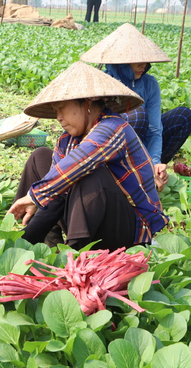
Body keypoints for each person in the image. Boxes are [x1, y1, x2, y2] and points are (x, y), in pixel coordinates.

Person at [9, 62, 168, 251]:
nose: (58, 117)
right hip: (90, 220)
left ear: (88, 103)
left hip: (129, 231)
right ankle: (46, 243)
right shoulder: (67, 141)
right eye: (55, 111)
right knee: (40, 157)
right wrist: (22, 244)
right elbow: (56, 192)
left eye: (62, 108)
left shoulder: (114, 127)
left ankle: (76, 256)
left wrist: (34, 196)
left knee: (89, 174)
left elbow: (81, 162)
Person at [80, 23, 191, 190]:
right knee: (137, 113)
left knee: (183, 116)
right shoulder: (105, 81)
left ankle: (152, 171)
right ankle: (126, 173)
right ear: (122, 60)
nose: (144, 65)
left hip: (143, 141)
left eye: (145, 60)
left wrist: (154, 161)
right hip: (112, 147)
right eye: (137, 61)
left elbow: (155, 129)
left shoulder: (150, 84)